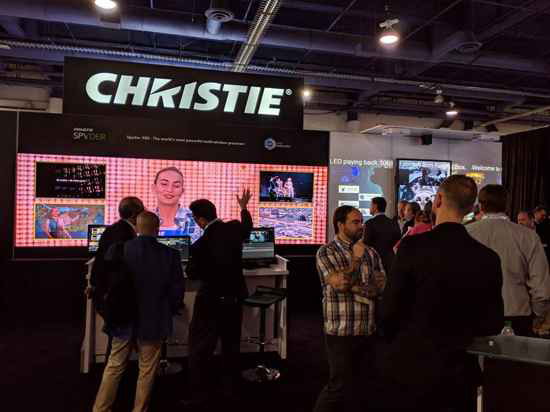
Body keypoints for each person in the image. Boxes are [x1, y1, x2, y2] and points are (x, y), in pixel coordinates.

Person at [367, 175, 504, 412]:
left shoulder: (412, 247)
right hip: (460, 373)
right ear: (471, 207)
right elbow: (493, 323)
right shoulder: (488, 258)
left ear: (438, 200)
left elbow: (389, 311)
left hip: (411, 369)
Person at [92, 211, 185, 412]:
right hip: (154, 320)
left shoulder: (118, 250)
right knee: (147, 370)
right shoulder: (170, 255)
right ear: (157, 229)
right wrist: (168, 310)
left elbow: (104, 281)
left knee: (114, 366)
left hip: (122, 318)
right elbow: (177, 292)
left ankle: (100, 408)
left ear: (136, 228)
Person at [183, 189, 253, 409]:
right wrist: (243, 207)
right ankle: (231, 393)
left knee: (200, 350)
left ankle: (200, 397)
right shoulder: (234, 228)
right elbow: (247, 227)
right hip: (233, 300)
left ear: (200, 220)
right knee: (231, 347)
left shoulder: (199, 245)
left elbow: (192, 274)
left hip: (210, 303)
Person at [315, 205, 386, 412]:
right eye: (355, 222)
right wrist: (355, 260)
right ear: (340, 225)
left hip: (367, 329)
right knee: (338, 386)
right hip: (341, 331)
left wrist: (355, 287)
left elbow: (381, 286)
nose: (361, 226)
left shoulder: (371, 252)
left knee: (364, 386)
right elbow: (341, 284)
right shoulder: (326, 251)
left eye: (361, 222)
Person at [467, 186, 550, 336]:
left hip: (473, 315)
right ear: (507, 205)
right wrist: (538, 316)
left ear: (480, 205)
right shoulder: (528, 236)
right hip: (517, 315)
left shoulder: (466, 233)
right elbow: (541, 287)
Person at [89, 197, 145, 317]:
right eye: (142, 213)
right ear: (134, 215)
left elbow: (99, 260)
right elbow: (123, 268)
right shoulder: (126, 235)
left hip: (106, 293)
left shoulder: (111, 229)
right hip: (118, 297)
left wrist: (94, 285)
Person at [151, 166, 200, 242]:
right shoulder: (144, 219)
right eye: (164, 184)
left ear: (182, 191)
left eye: (176, 186)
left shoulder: (196, 220)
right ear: (154, 188)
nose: (170, 190)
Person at [363, 197, 401, 273]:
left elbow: (366, 243)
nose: (369, 208)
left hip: (374, 262)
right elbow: (398, 240)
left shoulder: (369, 223)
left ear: (375, 206)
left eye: (370, 205)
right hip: (390, 261)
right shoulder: (393, 222)